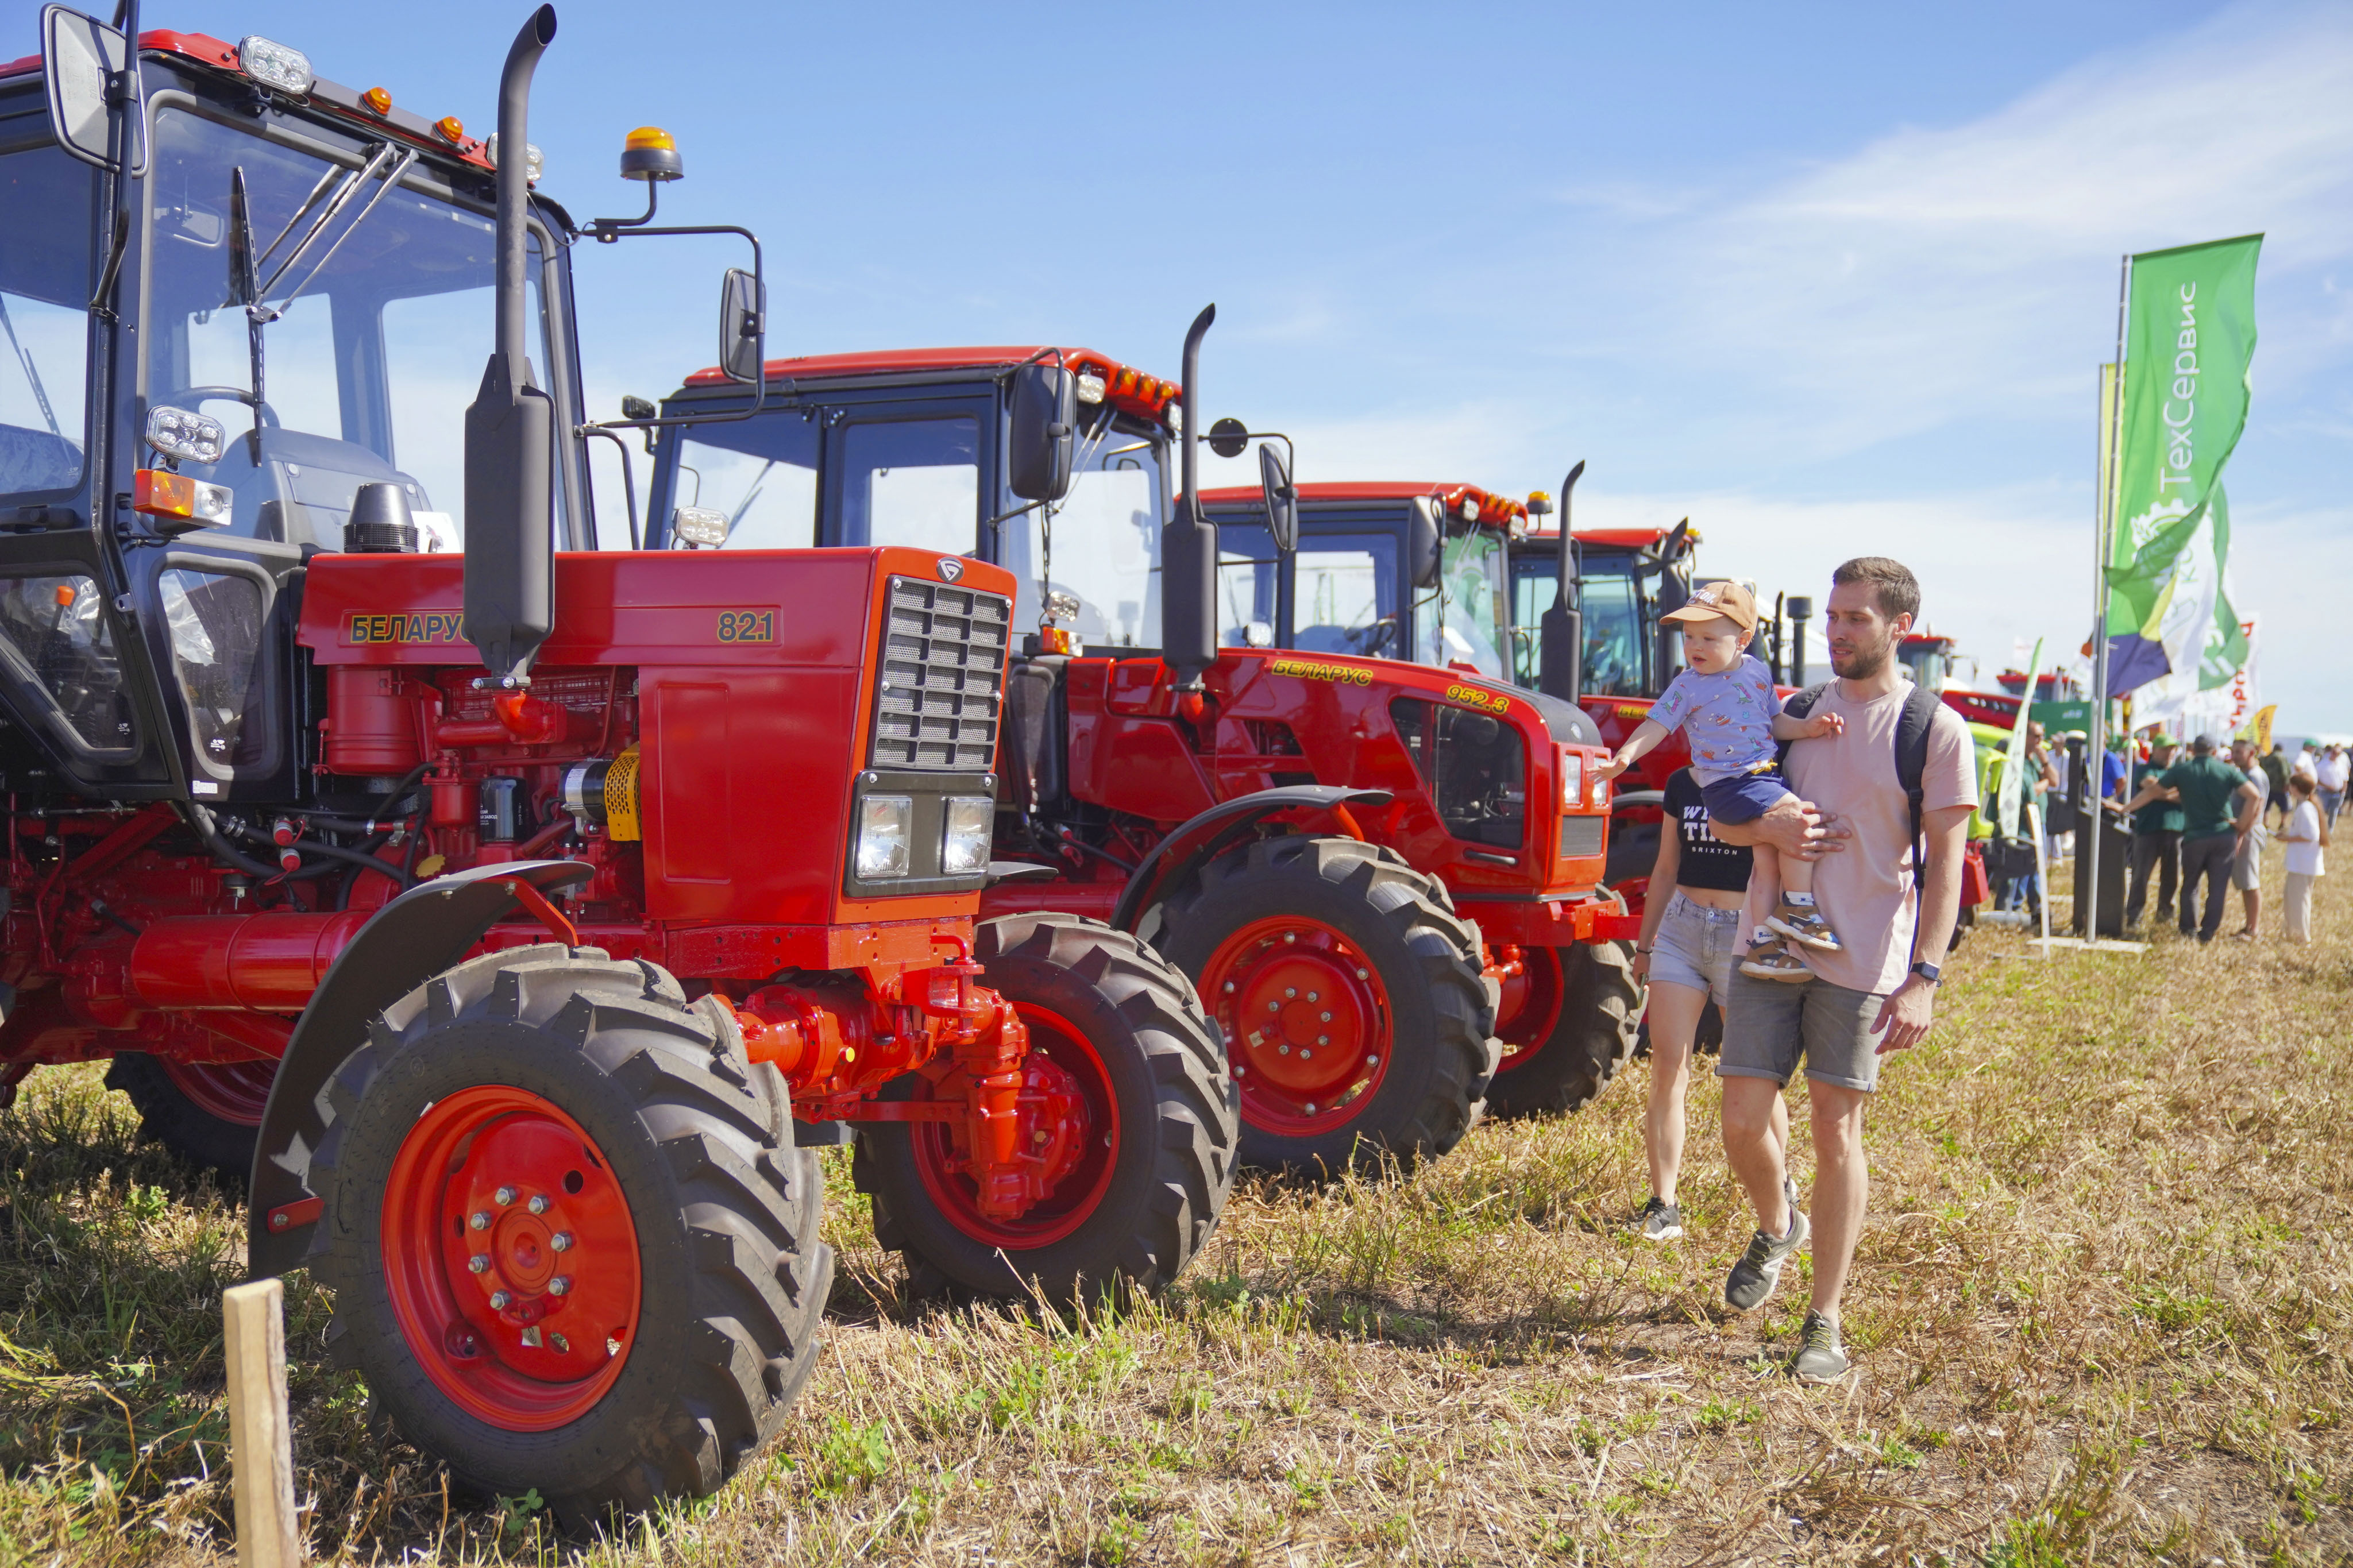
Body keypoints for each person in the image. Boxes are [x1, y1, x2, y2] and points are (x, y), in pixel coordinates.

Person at [1705, 557, 1976, 1383]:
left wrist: (1924, 975)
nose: (1838, 631)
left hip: (1862, 961)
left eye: (1857, 617)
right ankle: (1778, 1222)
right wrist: (1771, 837)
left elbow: (1946, 861)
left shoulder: (1932, 727)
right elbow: (1727, 813)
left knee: (1835, 1129)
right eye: (1833, 615)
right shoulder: (1789, 715)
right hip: (1771, 943)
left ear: (1899, 626)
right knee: (1743, 1120)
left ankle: (1823, 1318)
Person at [1597, 580, 1847, 983]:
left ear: (1743, 640)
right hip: (1729, 786)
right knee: (1797, 818)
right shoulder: (1688, 685)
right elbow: (1657, 724)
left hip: (1762, 777)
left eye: (1708, 637)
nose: (1694, 645)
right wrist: (1625, 755)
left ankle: (1764, 946)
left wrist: (1810, 728)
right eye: (1688, 635)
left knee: (1766, 861)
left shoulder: (1758, 674)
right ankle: (1800, 909)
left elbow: (1775, 723)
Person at [1626, 766, 1787, 1241]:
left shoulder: (1768, 779)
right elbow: (1666, 867)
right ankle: (1664, 1204)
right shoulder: (1679, 783)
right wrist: (1644, 945)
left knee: (1755, 1075)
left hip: (1745, 931)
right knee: (1667, 1067)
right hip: (1682, 928)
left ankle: (1781, 1187)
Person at [2121, 735, 2264, 943]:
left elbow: (2152, 792)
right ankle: (2207, 933)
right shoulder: (2228, 771)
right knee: (2217, 888)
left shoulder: (2182, 770)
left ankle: (2188, 929)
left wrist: (2126, 809)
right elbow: (2255, 795)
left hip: (2195, 836)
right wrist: (2243, 824)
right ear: (2215, 752)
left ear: (2193, 751)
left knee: (2190, 885)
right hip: (2224, 836)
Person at [2124, 735, 2182, 930]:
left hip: (2175, 830)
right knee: (2141, 875)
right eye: (2165, 749)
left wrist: (2160, 792)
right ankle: (2134, 916)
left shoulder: (2178, 771)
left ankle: (2165, 916)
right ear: (2155, 750)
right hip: (2148, 830)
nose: (2169, 753)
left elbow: (2183, 795)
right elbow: (2150, 785)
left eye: (2172, 750)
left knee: (2171, 877)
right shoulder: (2143, 769)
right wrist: (2171, 793)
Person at [2230, 737, 2270, 940]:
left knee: (2250, 881)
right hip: (2245, 830)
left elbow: (2256, 807)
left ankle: (2253, 929)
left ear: (2251, 753)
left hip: (2249, 831)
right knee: (2245, 882)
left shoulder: (2254, 776)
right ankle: (2249, 927)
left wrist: (2241, 834)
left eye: (2239, 752)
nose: (2234, 756)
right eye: (2233, 752)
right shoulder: (2245, 774)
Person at [2281, 774, 2329, 944]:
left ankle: (2302, 938)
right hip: (2302, 863)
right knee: (2293, 898)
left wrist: (2287, 838)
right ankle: (2294, 934)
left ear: (2296, 788)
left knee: (2299, 901)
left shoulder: (2305, 808)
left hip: (2303, 863)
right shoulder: (2306, 806)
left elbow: (2311, 835)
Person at [2263, 743, 2290, 830]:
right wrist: (2287, 785)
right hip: (2279, 787)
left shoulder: (2266, 758)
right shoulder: (2281, 758)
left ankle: (2266, 824)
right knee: (2285, 807)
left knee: (2266, 807)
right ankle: (2282, 824)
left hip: (2267, 786)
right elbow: (2285, 773)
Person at [2322, 745, 2350, 828]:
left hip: (2338, 793)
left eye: (2338, 753)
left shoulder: (2342, 765)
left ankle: (2329, 831)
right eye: (2334, 752)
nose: (2335, 755)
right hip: (2324, 792)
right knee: (2322, 812)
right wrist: (2327, 786)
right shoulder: (2324, 763)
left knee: (2333, 813)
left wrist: (2343, 792)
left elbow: (2346, 779)